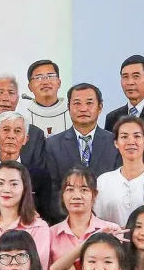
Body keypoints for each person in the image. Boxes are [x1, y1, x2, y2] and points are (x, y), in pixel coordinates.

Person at [43, 83, 119, 223]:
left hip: (107, 222)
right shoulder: (52, 145)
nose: (83, 109)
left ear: (100, 107)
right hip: (66, 222)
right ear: (68, 107)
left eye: (89, 103)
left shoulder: (115, 143)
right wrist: (73, 220)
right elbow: (52, 191)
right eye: (77, 103)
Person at [46, 167, 123, 270]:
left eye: (84, 190)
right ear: (63, 195)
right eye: (70, 190)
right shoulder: (50, 233)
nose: (76, 196)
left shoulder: (111, 229)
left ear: (94, 195)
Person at [94, 115, 144, 225]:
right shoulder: (103, 181)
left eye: (137, 136)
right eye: (124, 137)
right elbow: (96, 220)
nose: (131, 142)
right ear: (116, 143)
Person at [22, 59, 70, 136]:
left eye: (50, 76)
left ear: (59, 83)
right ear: (30, 86)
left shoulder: (72, 112)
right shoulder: (22, 115)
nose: (45, 82)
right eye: (38, 77)